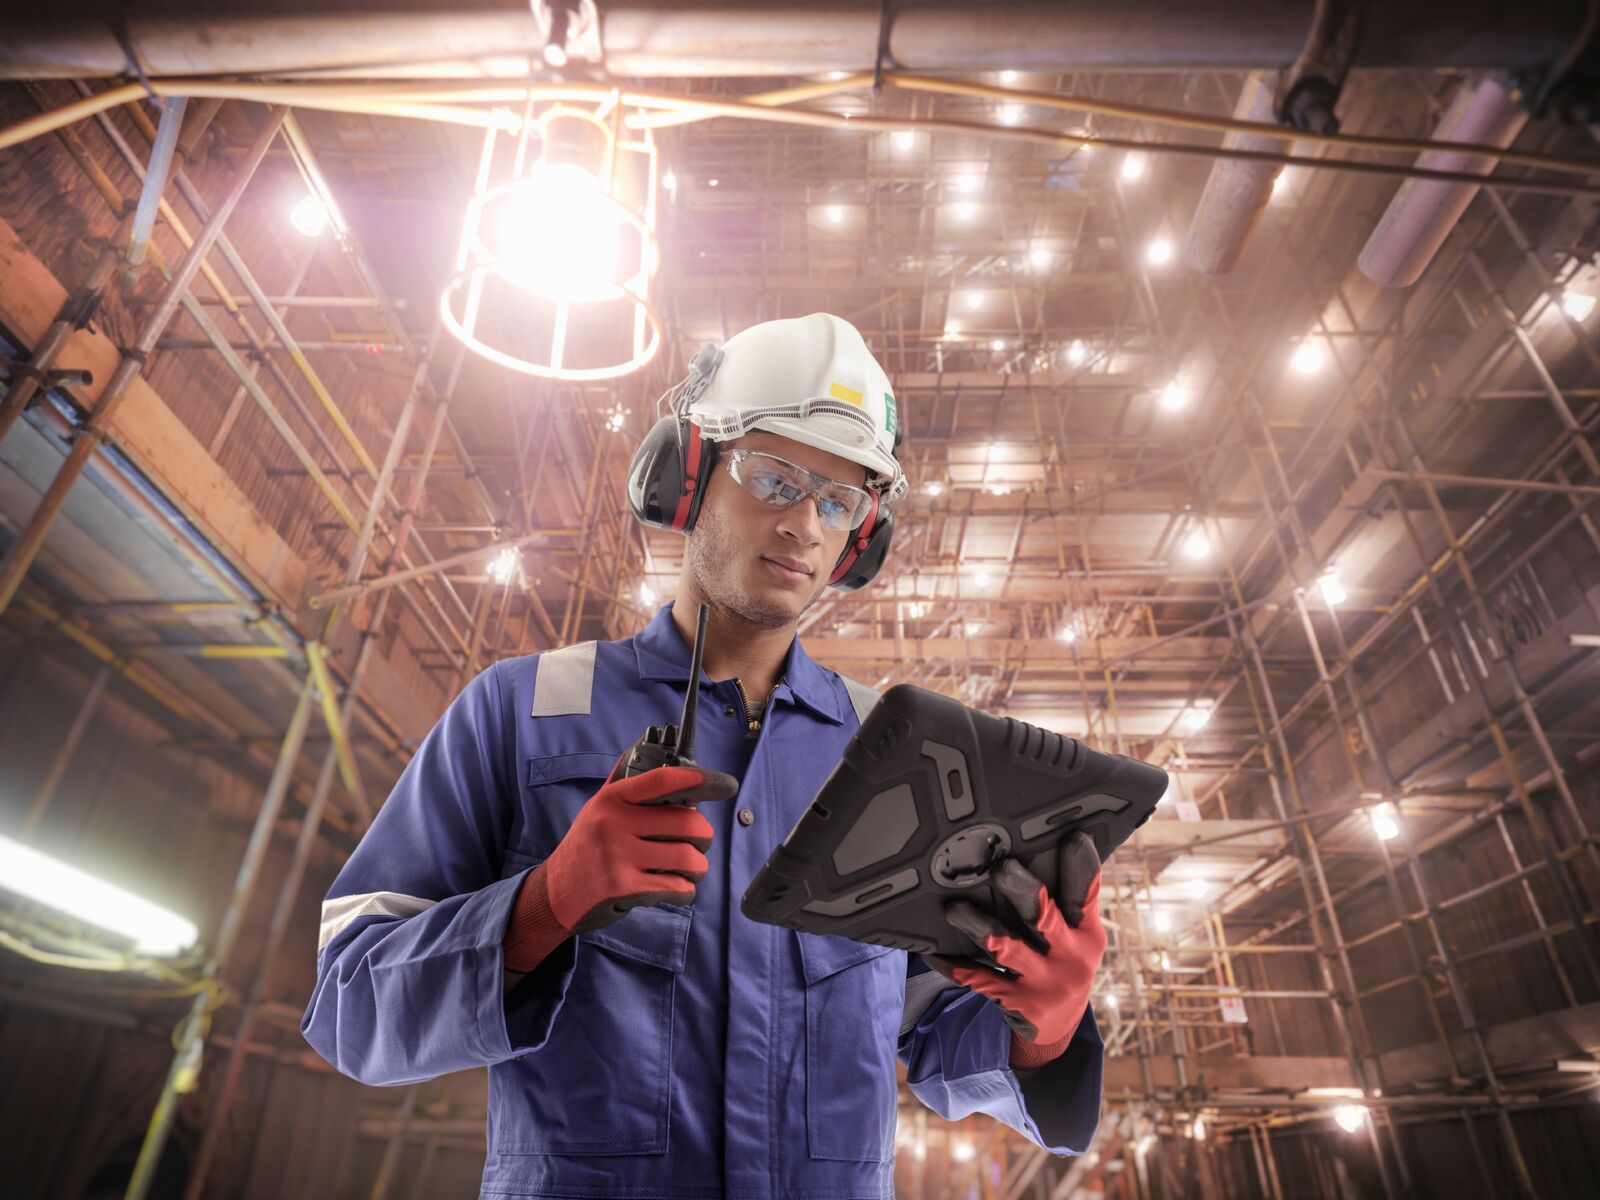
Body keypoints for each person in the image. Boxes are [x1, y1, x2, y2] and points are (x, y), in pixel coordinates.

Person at [302, 313, 1107, 1199]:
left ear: (859, 539)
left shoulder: (896, 756)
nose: (804, 523)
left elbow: (934, 1028)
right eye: (774, 477)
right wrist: (547, 902)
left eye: (839, 501)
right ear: (687, 477)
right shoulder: (525, 709)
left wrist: (1047, 1027)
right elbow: (351, 1006)